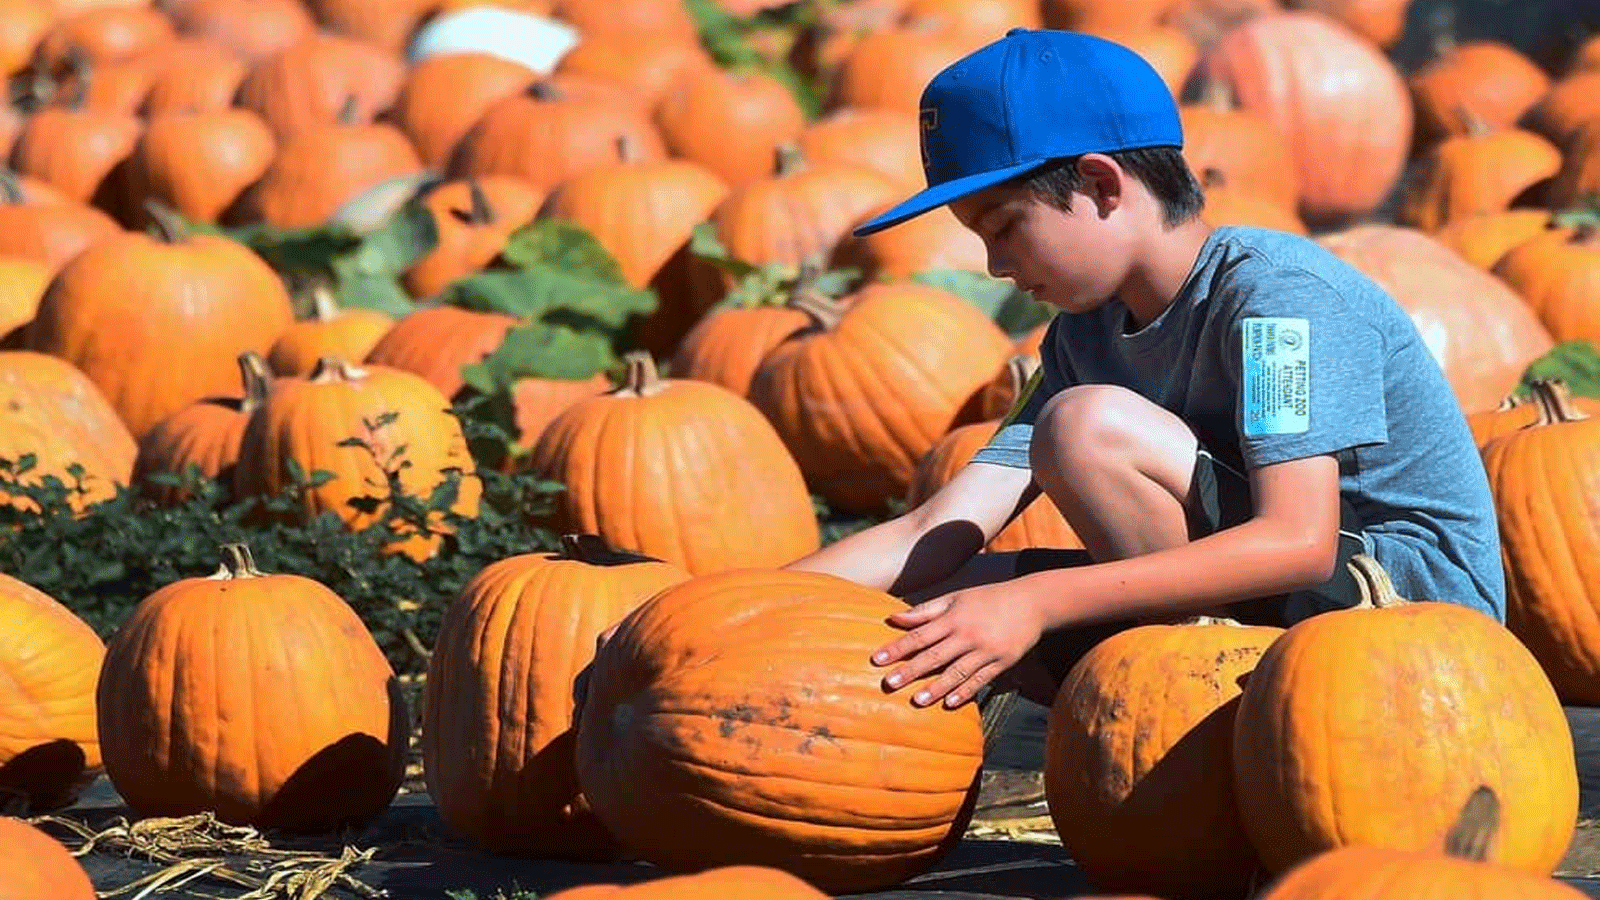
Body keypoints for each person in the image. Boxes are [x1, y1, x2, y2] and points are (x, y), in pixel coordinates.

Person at [782, 27, 1506, 712]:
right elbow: (936, 528)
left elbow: (1299, 542)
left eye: (1004, 227)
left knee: (1083, 430)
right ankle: (1187, 699)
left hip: (1406, 627)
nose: (996, 265)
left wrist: (1037, 602)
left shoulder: (1278, 301)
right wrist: (749, 604)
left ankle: (1203, 712)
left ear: (1103, 184)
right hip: (1270, 599)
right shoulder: (1083, 336)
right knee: (928, 607)